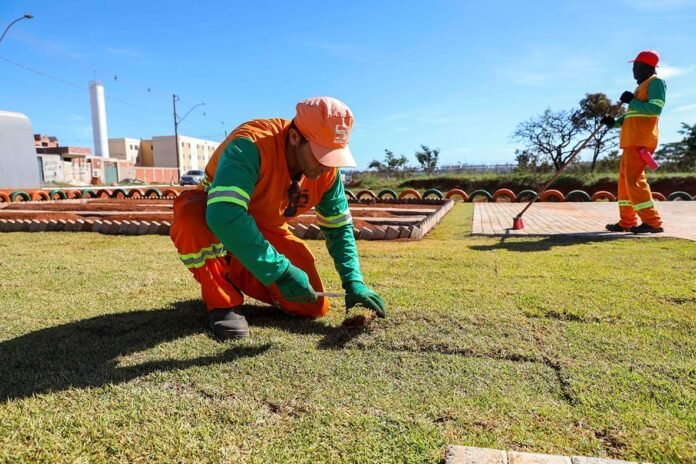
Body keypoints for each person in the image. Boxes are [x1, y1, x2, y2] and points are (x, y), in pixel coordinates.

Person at [170, 96, 385, 339]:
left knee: (313, 305)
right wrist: (280, 271)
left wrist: (353, 282)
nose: (327, 165)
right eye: (321, 154)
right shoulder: (250, 145)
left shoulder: (328, 172)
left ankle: (234, 268)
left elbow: (338, 227)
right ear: (294, 137)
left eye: (334, 155)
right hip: (213, 215)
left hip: (263, 226)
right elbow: (224, 214)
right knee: (190, 220)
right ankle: (222, 303)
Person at [601, 50, 666, 234]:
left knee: (634, 181)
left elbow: (655, 109)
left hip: (641, 140)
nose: (634, 70)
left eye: (637, 66)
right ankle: (627, 221)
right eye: (634, 67)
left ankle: (653, 222)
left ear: (648, 67)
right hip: (631, 140)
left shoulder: (656, 82)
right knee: (625, 183)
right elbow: (632, 116)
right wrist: (613, 123)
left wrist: (632, 101)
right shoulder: (641, 87)